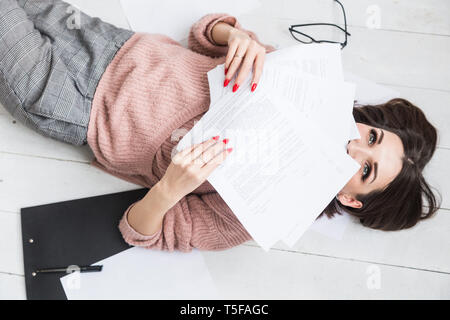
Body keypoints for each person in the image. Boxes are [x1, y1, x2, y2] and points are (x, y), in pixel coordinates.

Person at [0, 0, 440, 253]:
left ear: (350, 198)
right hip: (113, 43)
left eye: (365, 170)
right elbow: (202, 33)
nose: (355, 147)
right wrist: (237, 38)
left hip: (75, 104)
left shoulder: (258, 215)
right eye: (373, 139)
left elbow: (139, 232)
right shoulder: (301, 86)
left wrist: (172, 187)